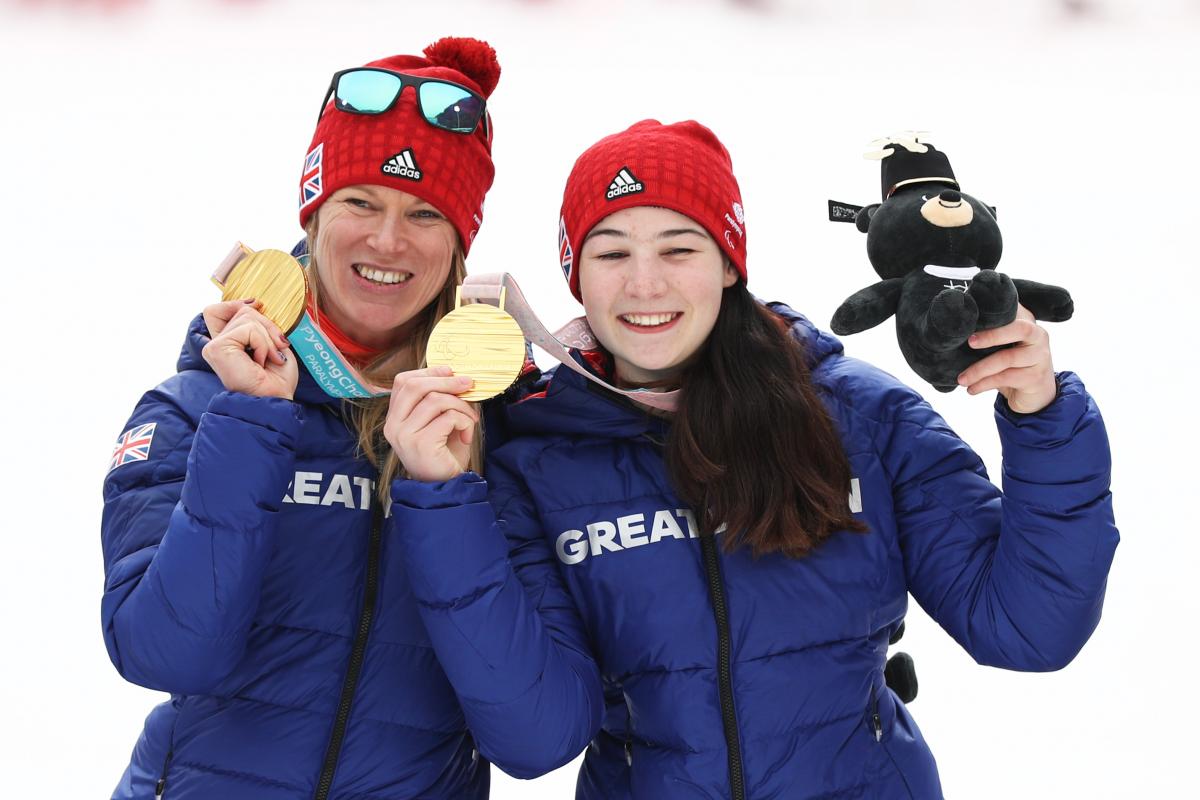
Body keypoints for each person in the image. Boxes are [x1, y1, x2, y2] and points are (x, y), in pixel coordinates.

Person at [383, 120, 1120, 798]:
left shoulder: (861, 418)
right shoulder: (536, 457)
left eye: (679, 247)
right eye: (612, 253)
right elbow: (537, 737)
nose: (645, 284)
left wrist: (1042, 419)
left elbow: (1028, 627)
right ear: (578, 275)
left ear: (729, 265)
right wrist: (444, 499)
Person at [100, 38, 503, 800]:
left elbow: (535, 736)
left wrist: (446, 495)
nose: (388, 241)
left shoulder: (495, 423)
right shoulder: (194, 408)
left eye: (424, 213)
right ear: (313, 215)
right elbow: (163, 654)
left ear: (459, 245)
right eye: (359, 202)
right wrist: (250, 423)